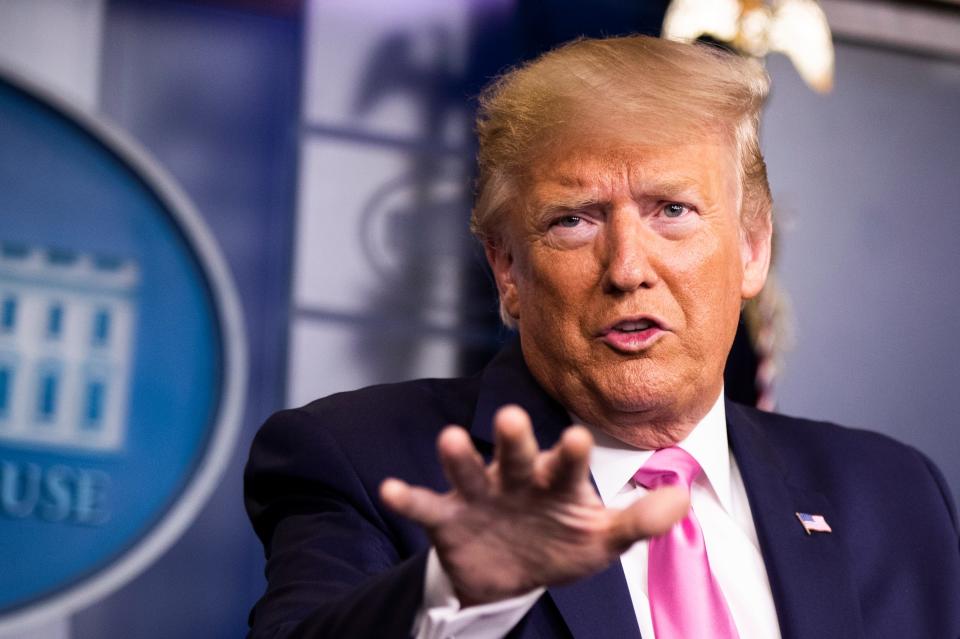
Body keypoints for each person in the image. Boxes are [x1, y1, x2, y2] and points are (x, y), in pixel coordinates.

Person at [244, 35, 960, 639]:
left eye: (672, 210)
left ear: (751, 248)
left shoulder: (894, 494)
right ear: (507, 268)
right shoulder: (359, 460)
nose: (626, 269)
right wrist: (455, 591)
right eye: (573, 220)